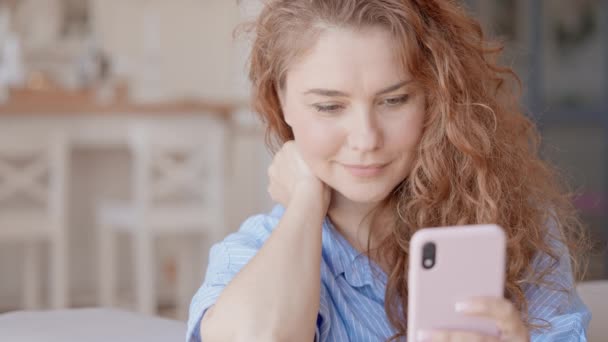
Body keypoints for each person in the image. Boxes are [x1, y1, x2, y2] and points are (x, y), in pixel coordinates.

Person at [187, 1, 591, 341]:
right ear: (282, 100)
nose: (366, 139)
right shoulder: (253, 252)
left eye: (394, 100)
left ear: (434, 97)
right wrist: (306, 200)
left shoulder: (518, 226)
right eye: (329, 107)